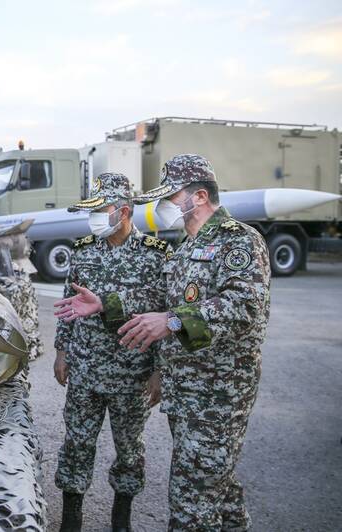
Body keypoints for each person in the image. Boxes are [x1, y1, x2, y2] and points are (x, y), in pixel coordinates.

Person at [117, 154, 271, 530]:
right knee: (220, 487)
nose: (162, 205)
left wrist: (172, 321)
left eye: (169, 197)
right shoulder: (187, 246)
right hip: (187, 391)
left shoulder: (238, 239)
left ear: (200, 196)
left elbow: (244, 305)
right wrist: (105, 304)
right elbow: (161, 300)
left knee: (192, 503)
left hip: (218, 395)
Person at [53, 172, 171, 532]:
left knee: (130, 450)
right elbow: (68, 305)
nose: (93, 218)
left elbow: (165, 315)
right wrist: (62, 350)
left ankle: (121, 519)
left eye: (99, 211)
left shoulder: (157, 255)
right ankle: (71, 518)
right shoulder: (83, 250)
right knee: (77, 443)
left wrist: (159, 370)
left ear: (123, 212)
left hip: (132, 373)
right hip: (86, 367)